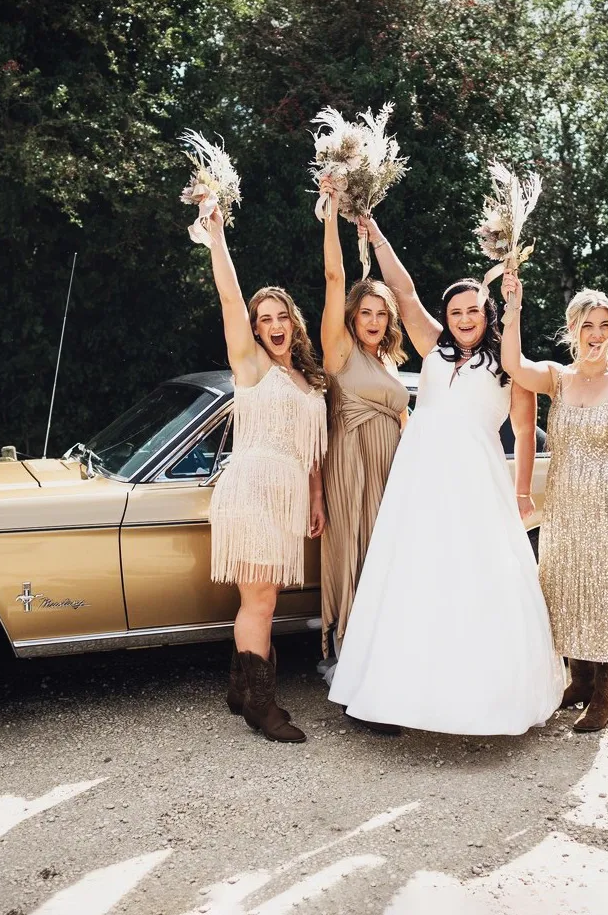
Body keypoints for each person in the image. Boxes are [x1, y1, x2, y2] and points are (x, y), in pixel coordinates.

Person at [328, 217, 565, 735]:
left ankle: (476, 700)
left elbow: (525, 433)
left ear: (487, 315)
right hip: (418, 480)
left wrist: (521, 492)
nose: (462, 319)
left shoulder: (509, 368)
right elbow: (403, 291)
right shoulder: (432, 346)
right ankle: (388, 697)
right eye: (455, 311)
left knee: (471, 580)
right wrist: (375, 232)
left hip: (475, 482)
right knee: (409, 576)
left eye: (472, 311)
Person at [501, 275, 608, 732]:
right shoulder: (557, 377)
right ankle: (579, 681)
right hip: (566, 503)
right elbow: (513, 364)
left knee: (607, 593)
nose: (596, 333)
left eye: (604, 325)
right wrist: (513, 306)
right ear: (572, 329)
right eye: (587, 325)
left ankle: (606, 699)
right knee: (565, 587)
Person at [196, 207, 328, 743]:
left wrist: (316, 498)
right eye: (263, 320)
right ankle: (262, 707)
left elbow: (312, 448)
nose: (274, 326)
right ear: (254, 329)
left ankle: (239, 687)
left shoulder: (311, 378)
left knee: (261, 599)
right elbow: (230, 297)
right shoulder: (251, 367)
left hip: (290, 496)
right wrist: (217, 237)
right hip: (250, 489)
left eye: (281, 317)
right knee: (261, 602)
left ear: (294, 322)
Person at [318, 178, 409, 700]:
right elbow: (334, 276)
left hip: (392, 472)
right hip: (352, 467)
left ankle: (381, 658)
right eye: (366, 312)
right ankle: (351, 666)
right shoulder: (341, 353)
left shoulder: (388, 361)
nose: (374, 320)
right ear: (353, 316)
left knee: (386, 560)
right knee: (357, 555)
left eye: (382, 313)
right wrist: (330, 213)